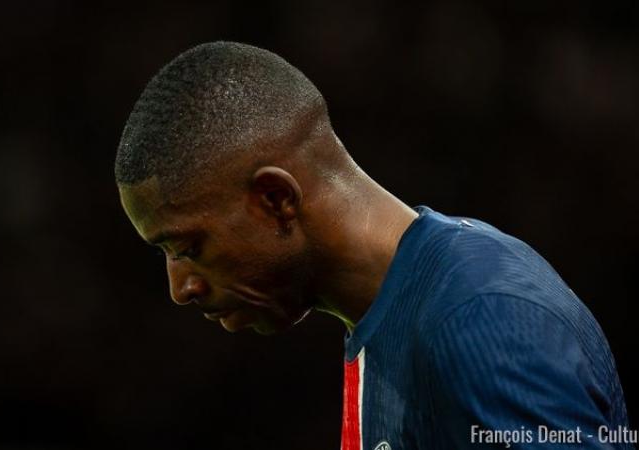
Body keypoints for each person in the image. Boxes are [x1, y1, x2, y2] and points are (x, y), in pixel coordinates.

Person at [115, 42, 634, 449]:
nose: (180, 288)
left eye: (185, 247)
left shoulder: (480, 314)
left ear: (275, 199)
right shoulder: (392, 315)